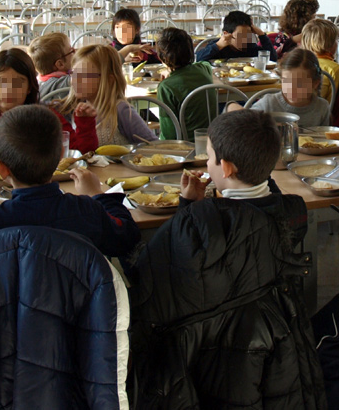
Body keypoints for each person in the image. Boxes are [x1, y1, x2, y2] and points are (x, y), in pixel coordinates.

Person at [129, 109, 326, 408]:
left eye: (209, 158)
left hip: (207, 364)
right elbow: (262, 211)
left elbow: (158, 280)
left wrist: (188, 208)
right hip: (277, 356)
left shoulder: (198, 223)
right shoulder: (293, 213)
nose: (206, 164)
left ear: (226, 168)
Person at [0, 104, 140, 257]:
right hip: (77, 291)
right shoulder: (86, 211)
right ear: (61, 155)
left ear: (1, 169)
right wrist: (98, 194)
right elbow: (127, 237)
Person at [55, 44, 157, 146]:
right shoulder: (75, 108)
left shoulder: (120, 110)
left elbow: (154, 145)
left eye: (84, 75)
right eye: (73, 73)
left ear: (109, 80)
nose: (75, 80)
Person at [0, 49, 42, 162]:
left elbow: (74, 152)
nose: (8, 90)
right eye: (1, 82)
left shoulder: (45, 119)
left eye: (18, 83)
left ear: (29, 87)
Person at [230, 48, 330, 127]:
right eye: (286, 81)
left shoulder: (322, 107)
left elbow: (324, 141)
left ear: (315, 83)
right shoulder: (269, 103)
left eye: (299, 84)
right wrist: (234, 107)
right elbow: (235, 114)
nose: (291, 88)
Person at [155, 28, 216, 140]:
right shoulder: (203, 69)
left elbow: (169, 134)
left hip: (185, 146)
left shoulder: (166, 86)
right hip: (212, 140)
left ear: (161, 57)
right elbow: (205, 63)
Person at [195, 10, 277, 63]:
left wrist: (261, 35)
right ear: (226, 34)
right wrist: (217, 46)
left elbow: (272, 58)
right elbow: (195, 60)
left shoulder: (250, 47)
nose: (245, 40)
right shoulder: (219, 47)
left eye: (248, 36)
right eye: (240, 37)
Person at [300, 18, 339, 100]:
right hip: (317, 110)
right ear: (332, 44)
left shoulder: (299, 62)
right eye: (336, 40)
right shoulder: (334, 68)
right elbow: (330, 102)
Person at [28, 32, 75, 100]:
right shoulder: (64, 83)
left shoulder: (38, 82)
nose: (75, 51)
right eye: (71, 51)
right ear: (60, 64)